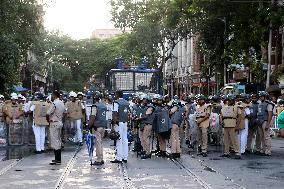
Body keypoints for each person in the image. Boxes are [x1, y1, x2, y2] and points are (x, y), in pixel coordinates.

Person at [46, 91, 65, 165]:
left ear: (54, 96)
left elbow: (47, 113)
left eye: (52, 95)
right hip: (60, 122)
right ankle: (58, 159)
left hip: (54, 123)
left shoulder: (54, 103)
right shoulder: (61, 103)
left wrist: (48, 121)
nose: (51, 97)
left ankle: (57, 160)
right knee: (58, 140)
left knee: (54, 141)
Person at [88, 92, 107, 165]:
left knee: (98, 143)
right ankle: (101, 158)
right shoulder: (104, 106)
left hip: (97, 126)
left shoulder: (95, 106)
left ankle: (99, 159)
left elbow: (93, 117)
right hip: (103, 126)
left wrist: (89, 126)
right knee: (100, 142)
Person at [111, 90, 130, 163]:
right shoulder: (126, 102)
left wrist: (113, 124)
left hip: (119, 123)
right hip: (125, 122)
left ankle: (119, 157)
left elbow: (115, 114)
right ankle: (125, 157)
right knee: (125, 139)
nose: (114, 96)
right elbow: (128, 114)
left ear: (117, 95)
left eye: (115, 94)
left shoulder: (116, 102)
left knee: (119, 139)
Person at [220, 95, 241, 159]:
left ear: (233, 100)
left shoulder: (237, 107)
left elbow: (239, 117)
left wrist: (237, 126)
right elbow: (221, 115)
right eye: (228, 100)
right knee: (226, 140)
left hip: (233, 123)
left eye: (230, 100)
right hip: (225, 123)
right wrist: (221, 121)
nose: (228, 101)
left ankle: (237, 152)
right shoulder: (224, 107)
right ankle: (226, 152)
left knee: (234, 140)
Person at [136, 95, 155, 159]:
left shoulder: (150, 107)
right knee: (142, 138)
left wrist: (138, 118)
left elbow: (146, 115)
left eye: (144, 99)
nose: (143, 100)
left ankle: (148, 153)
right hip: (143, 124)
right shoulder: (144, 106)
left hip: (147, 124)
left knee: (146, 138)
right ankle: (144, 150)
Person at [255, 91, 273, 156]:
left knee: (266, 137)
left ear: (265, 97)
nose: (260, 97)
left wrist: (268, 124)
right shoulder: (260, 103)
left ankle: (268, 151)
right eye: (260, 96)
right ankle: (263, 150)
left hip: (265, 121)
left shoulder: (268, 104)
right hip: (259, 121)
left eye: (262, 96)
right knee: (261, 137)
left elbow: (270, 114)